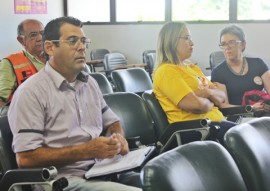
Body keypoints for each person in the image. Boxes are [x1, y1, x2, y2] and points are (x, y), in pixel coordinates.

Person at [8, 16, 140, 191]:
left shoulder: (89, 83)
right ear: (50, 47)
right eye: (72, 41)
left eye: (83, 41)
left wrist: (118, 137)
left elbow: (113, 122)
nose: (81, 47)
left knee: (160, 180)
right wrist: (87, 150)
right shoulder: (31, 92)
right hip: (63, 180)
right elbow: (26, 159)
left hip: (102, 169)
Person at [153, 21, 236, 144]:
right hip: (195, 131)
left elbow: (221, 98)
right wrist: (208, 93)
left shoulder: (192, 68)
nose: (192, 43)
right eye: (187, 38)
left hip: (214, 125)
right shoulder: (166, 71)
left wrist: (203, 93)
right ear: (171, 41)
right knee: (244, 137)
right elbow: (197, 105)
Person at [211, 24, 270, 111]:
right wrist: (250, 108)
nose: (227, 47)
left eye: (232, 42)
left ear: (243, 44)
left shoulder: (258, 64)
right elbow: (223, 106)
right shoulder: (218, 72)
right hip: (237, 117)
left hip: (263, 112)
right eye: (223, 44)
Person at [0, 19, 45, 117]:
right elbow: (1, 101)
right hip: (27, 117)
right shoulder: (10, 63)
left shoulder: (56, 57)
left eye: (42, 33)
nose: (40, 38)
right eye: (33, 35)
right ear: (21, 40)